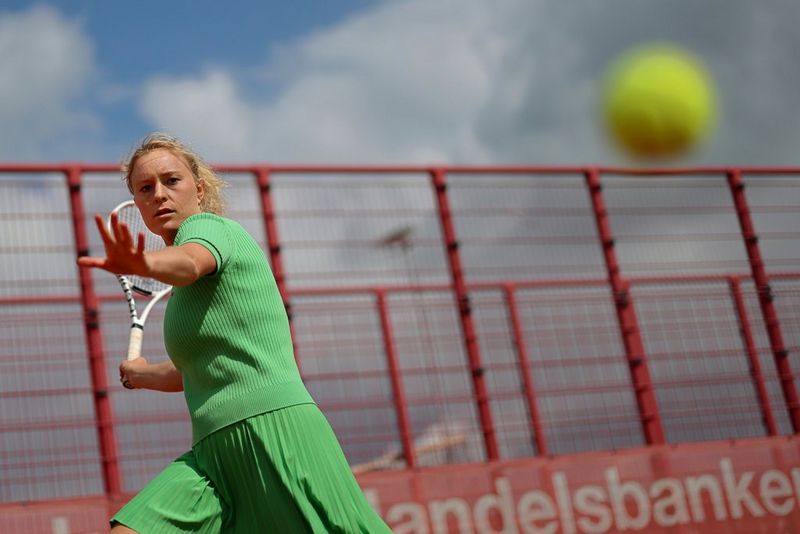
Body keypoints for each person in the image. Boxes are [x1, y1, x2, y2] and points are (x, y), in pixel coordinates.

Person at [78, 133, 391, 533]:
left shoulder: (212, 230)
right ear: (137, 204)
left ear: (199, 189)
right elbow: (196, 370)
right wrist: (143, 375)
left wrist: (143, 262)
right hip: (210, 457)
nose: (159, 194)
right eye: (145, 188)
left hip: (271, 431)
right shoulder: (182, 294)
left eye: (171, 181)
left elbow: (190, 261)